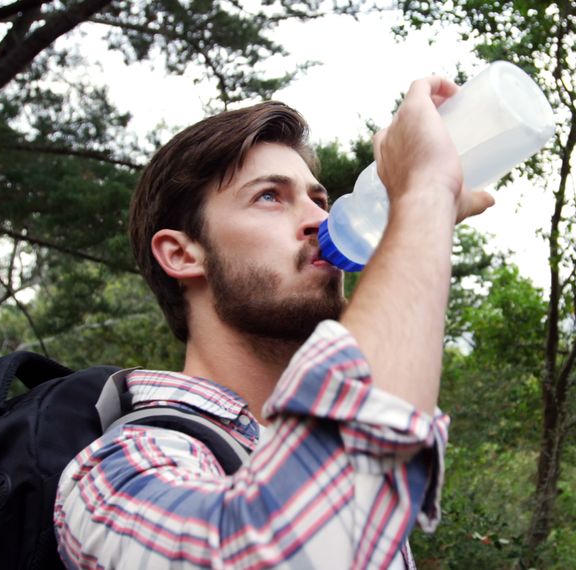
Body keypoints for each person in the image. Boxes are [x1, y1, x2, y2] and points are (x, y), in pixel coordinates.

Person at [53, 75, 495, 569]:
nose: (318, 221)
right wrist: (424, 191)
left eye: (319, 200)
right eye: (269, 196)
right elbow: (290, 551)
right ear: (181, 254)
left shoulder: (348, 462)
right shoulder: (120, 472)